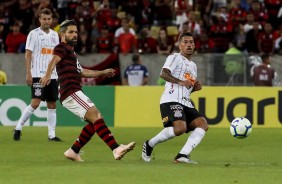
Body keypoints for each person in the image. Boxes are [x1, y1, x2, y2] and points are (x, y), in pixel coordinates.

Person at [40, 20, 135, 161]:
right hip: (70, 91)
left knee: (94, 121)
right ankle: (116, 148)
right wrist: (47, 74)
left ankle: (73, 151)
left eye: (76, 32)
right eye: (71, 32)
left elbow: (83, 72)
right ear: (62, 34)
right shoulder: (62, 47)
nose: (75, 35)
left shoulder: (71, 53)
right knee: (96, 115)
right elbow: (53, 60)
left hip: (73, 91)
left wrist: (102, 72)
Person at [141, 32, 209, 164]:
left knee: (203, 124)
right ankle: (149, 144)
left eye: (191, 42)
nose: (189, 45)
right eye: (185, 42)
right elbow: (164, 73)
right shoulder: (175, 57)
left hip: (185, 102)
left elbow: (186, 89)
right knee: (180, 128)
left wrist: (193, 89)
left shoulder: (193, 66)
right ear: (179, 45)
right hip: (171, 99)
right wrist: (180, 82)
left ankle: (182, 155)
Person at [13, 8, 61, 141]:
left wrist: (58, 72)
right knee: (35, 103)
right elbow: (28, 54)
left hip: (52, 75)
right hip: (37, 74)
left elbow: (57, 55)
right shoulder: (33, 34)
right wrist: (28, 73)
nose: (46, 21)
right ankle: (18, 127)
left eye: (49, 19)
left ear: (52, 20)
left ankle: (51, 135)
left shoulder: (55, 35)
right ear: (39, 20)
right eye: (44, 19)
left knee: (52, 104)